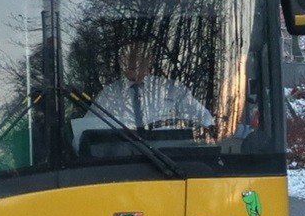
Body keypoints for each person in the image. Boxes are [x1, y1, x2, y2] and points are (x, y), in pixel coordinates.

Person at [78, 35, 214, 138]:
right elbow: (83, 133)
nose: (132, 61)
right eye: (126, 56)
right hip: (122, 161)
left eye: (138, 56)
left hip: (170, 160)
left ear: (150, 59)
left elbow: (205, 120)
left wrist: (209, 136)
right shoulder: (108, 95)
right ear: (121, 60)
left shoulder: (172, 90)